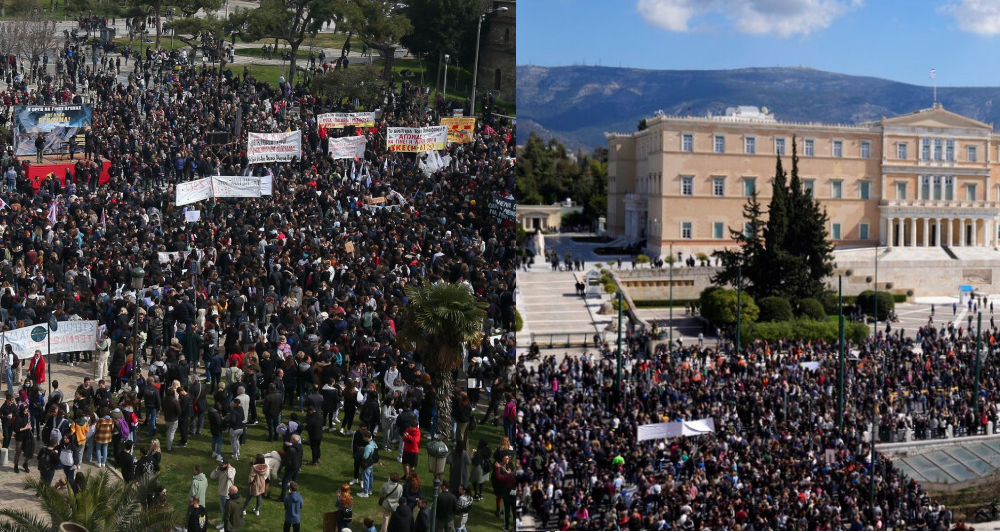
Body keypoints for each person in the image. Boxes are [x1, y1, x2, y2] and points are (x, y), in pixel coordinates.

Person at [210, 457, 236, 529]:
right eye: (220, 464)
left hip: (227, 494)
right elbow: (212, 476)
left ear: (227, 464)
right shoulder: (220, 469)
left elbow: (230, 476)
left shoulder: (232, 470)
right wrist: (216, 469)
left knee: (227, 511)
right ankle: (223, 523)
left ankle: (226, 525)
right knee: (223, 510)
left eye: (222, 465)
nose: (220, 466)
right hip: (221, 493)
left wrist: (228, 468)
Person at [279, 433, 302, 499]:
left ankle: (282, 497)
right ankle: (295, 493)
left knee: (285, 481)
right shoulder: (300, 446)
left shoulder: (291, 449)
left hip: (291, 467)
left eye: (291, 438)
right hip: (297, 465)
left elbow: (287, 459)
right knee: (294, 479)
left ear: (293, 440)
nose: (290, 439)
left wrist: (285, 465)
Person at [358, 430, 378, 497]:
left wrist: (363, 451)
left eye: (364, 437)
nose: (363, 438)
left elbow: (365, 456)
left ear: (367, 437)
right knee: (370, 477)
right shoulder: (374, 443)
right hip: (371, 463)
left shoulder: (368, 446)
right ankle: (369, 490)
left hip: (367, 464)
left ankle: (365, 492)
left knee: (365, 477)